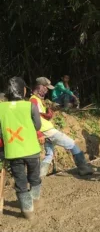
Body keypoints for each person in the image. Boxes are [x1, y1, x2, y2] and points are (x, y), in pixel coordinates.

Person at [30, 77, 94, 177]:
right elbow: (33, 117)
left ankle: (39, 175)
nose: (47, 91)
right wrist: (38, 131)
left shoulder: (37, 99)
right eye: (46, 88)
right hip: (47, 130)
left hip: (44, 130)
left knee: (49, 154)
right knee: (72, 144)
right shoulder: (34, 100)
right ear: (40, 87)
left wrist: (49, 113)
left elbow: (40, 116)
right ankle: (83, 168)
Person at [0, 77, 43, 219]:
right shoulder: (30, 106)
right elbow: (37, 126)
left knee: (20, 181)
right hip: (31, 149)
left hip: (13, 151)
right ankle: (35, 200)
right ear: (23, 90)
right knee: (34, 177)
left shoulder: (1, 107)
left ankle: (27, 210)